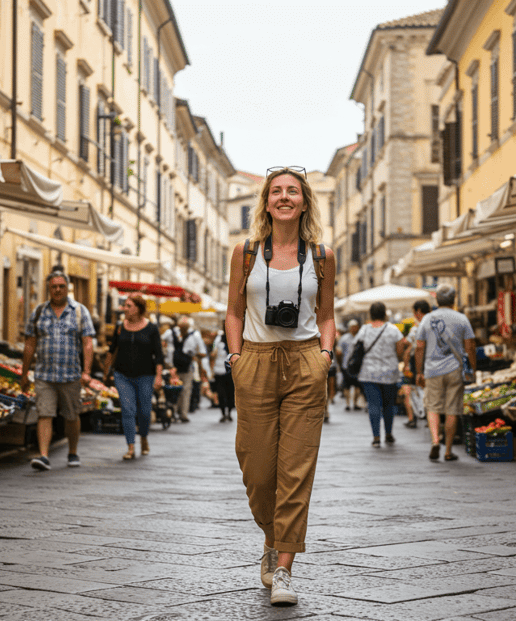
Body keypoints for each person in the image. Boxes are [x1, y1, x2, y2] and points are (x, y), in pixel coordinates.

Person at [225, 166, 335, 607]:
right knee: (257, 470)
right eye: (277, 191)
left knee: (296, 470)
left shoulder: (322, 255)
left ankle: (284, 567)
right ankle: (273, 538)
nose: (284, 197)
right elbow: (233, 311)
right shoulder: (246, 252)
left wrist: (325, 357)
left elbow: (326, 315)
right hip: (254, 360)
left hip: (306, 361)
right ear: (267, 202)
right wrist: (235, 357)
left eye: (293, 191)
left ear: (305, 201)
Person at [20, 271, 95, 471]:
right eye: (54, 287)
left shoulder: (79, 311)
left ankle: (72, 452)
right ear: (49, 289)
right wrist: (24, 373)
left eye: (61, 286)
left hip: (71, 374)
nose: (58, 290)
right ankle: (44, 456)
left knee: (71, 415)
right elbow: (29, 344)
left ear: (67, 287)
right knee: (45, 414)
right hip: (45, 374)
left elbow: (88, 343)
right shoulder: (38, 312)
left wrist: (86, 371)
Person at [414, 284, 477, 462]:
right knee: (452, 409)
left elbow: (419, 347)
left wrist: (419, 372)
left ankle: (435, 440)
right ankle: (448, 450)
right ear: (454, 299)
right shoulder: (462, 319)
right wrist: (472, 369)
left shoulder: (427, 319)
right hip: (455, 369)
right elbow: (470, 346)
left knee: (433, 407)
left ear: (436, 300)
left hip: (432, 370)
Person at [101, 295, 164, 460]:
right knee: (128, 410)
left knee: (144, 411)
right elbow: (112, 349)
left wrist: (158, 376)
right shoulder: (120, 327)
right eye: (125, 306)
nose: (125, 309)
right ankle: (130, 446)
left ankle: (143, 437)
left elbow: (158, 355)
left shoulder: (151, 328)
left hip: (145, 375)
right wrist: (106, 371)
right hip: (122, 375)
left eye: (128, 306)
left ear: (138, 308)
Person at [355, 302, 406, 447]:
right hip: (389, 373)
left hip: (369, 373)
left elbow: (356, 346)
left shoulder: (364, 330)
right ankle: (389, 433)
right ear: (384, 314)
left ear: (371, 314)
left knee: (373, 405)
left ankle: (376, 437)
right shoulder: (393, 329)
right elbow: (400, 350)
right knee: (389, 405)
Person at [162, 316, 209, 423]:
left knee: (177, 389)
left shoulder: (172, 333)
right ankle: (179, 413)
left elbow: (202, 353)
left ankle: (177, 412)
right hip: (177, 367)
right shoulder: (192, 334)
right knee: (181, 390)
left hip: (179, 366)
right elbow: (202, 352)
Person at [401, 299, 431, 428]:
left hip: (417, 363)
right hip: (432, 362)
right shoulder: (434, 324)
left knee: (409, 390)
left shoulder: (416, 328)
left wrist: (407, 365)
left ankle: (412, 417)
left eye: (414, 312)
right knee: (430, 392)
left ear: (418, 311)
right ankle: (431, 419)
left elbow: (409, 346)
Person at [337, 319, 364, 410]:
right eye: (352, 327)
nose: (354, 328)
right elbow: (339, 352)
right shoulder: (346, 338)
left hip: (355, 366)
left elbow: (339, 352)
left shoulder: (360, 337)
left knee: (356, 386)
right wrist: (340, 364)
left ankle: (353, 404)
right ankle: (349, 404)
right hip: (347, 365)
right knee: (347, 386)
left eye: (355, 327)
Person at [210, 324, 235, 422]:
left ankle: (227, 413)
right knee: (223, 393)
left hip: (229, 370)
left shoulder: (230, 339)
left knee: (228, 393)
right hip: (220, 369)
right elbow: (213, 354)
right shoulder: (219, 339)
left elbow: (212, 354)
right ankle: (225, 413)